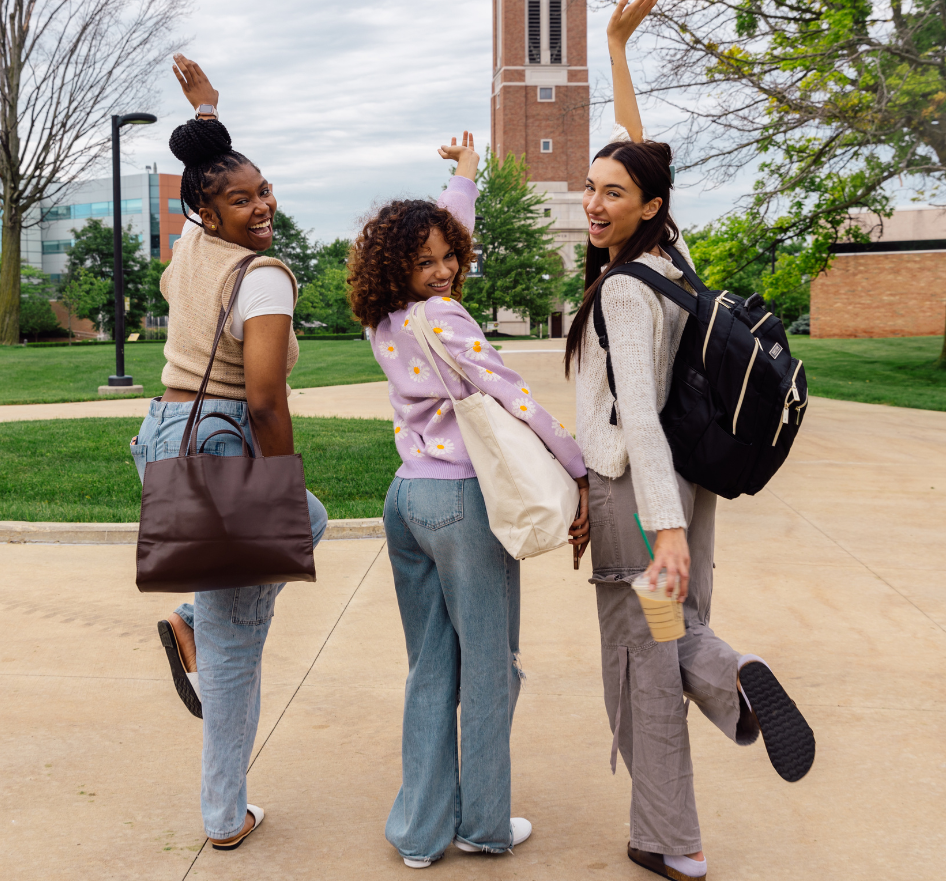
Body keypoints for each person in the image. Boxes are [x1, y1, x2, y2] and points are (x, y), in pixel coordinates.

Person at [566, 3, 816, 880]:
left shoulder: (625, 293)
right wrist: (615, 48)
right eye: (592, 189)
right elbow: (644, 148)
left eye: (613, 194)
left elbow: (635, 411)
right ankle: (717, 700)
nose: (595, 203)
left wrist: (656, 530)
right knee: (668, 633)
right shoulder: (673, 260)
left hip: (640, 496)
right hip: (684, 488)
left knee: (644, 662)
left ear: (648, 206)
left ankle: (677, 836)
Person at [348, 132, 591, 869]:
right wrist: (576, 466)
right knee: (489, 666)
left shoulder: (384, 318)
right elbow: (512, 395)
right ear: (404, 268)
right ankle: (482, 823)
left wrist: (466, 176)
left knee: (430, 667)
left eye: (449, 254)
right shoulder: (447, 318)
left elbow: (438, 236)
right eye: (428, 261)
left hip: (407, 501)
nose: (446, 267)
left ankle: (419, 835)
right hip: (463, 507)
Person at [131, 54, 328, 852]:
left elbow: (200, 177)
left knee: (307, 527)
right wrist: (277, 481)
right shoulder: (264, 276)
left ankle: (189, 621)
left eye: (263, 191)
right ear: (209, 212)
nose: (259, 206)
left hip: (166, 436)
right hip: (227, 442)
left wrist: (207, 113)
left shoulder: (188, 252)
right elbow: (266, 397)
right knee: (239, 644)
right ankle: (224, 814)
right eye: (239, 199)